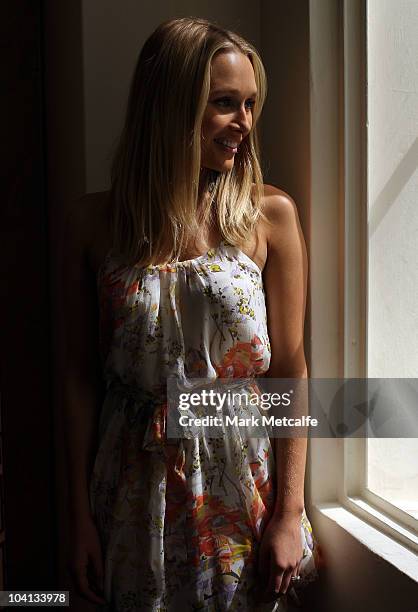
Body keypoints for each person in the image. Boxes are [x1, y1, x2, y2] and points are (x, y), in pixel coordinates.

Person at [63, 16, 320, 612]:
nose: (246, 125)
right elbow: (77, 379)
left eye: (251, 104)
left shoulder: (268, 217)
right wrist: (76, 516)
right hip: (131, 489)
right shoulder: (92, 226)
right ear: (172, 106)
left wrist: (289, 510)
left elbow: (290, 371)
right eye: (225, 104)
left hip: (242, 488)